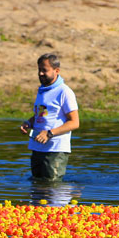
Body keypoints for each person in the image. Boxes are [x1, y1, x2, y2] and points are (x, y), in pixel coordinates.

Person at [19, 53, 79, 181]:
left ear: (56, 71)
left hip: (55, 150)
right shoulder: (42, 90)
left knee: (51, 187)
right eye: (39, 70)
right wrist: (29, 123)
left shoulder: (64, 92)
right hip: (37, 148)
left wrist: (49, 133)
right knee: (37, 187)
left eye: (44, 70)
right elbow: (42, 114)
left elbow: (74, 122)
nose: (40, 73)